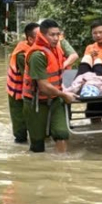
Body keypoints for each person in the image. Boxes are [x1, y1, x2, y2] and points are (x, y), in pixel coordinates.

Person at [22, 19, 77, 153]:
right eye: (52, 35)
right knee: (37, 145)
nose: (56, 38)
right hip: (36, 103)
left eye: (57, 34)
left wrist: (62, 94)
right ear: (42, 35)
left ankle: (62, 165)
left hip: (55, 99)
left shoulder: (56, 50)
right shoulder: (37, 55)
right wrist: (65, 95)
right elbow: (44, 87)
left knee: (61, 134)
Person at [6, 22, 39, 143]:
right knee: (20, 124)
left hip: (28, 89)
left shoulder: (36, 49)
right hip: (17, 91)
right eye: (39, 36)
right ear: (30, 39)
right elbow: (31, 76)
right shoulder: (22, 54)